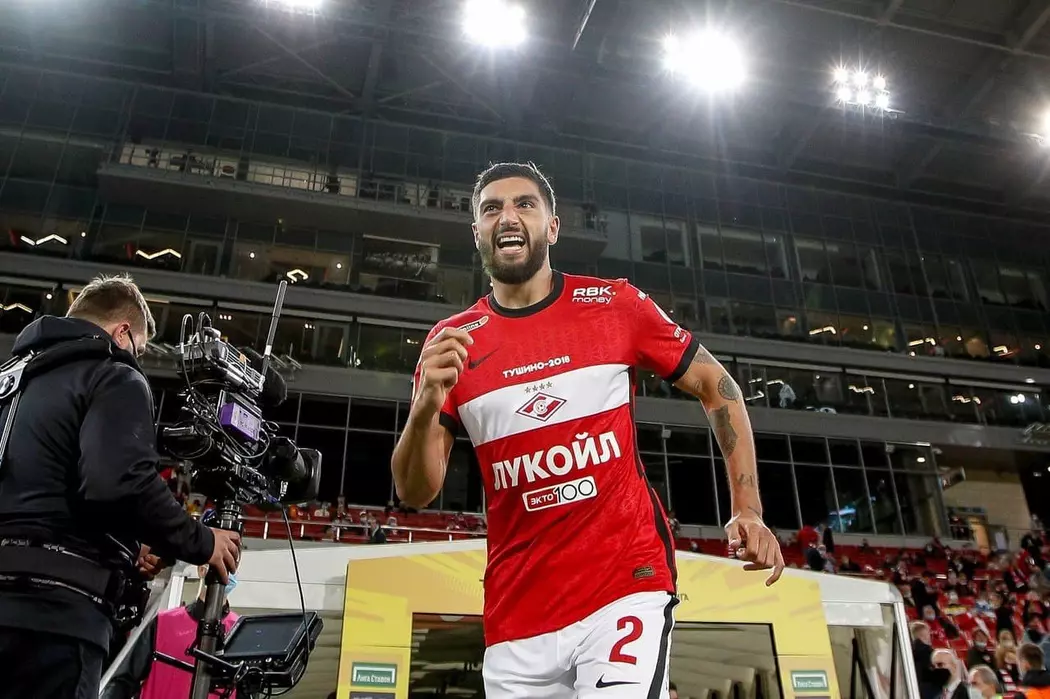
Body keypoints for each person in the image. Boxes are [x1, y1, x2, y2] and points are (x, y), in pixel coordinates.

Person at [392, 162, 784, 698]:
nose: (508, 216)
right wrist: (425, 406)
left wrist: (748, 508)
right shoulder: (451, 342)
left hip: (625, 586)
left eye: (525, 204)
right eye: (491, 208)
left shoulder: (615, 306)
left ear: (553, 227)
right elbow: (415, 491)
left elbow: (720, 388)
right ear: (477, 232)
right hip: (517, 616)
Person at [0, 274, 240, 699]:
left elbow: (54, 484)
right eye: (140, 350)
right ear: (122, 332)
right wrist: (202, 541)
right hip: (53, 624)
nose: (137, 359)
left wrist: (129, 544)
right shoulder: (113, 372)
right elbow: (120, 482)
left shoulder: (10, 381)